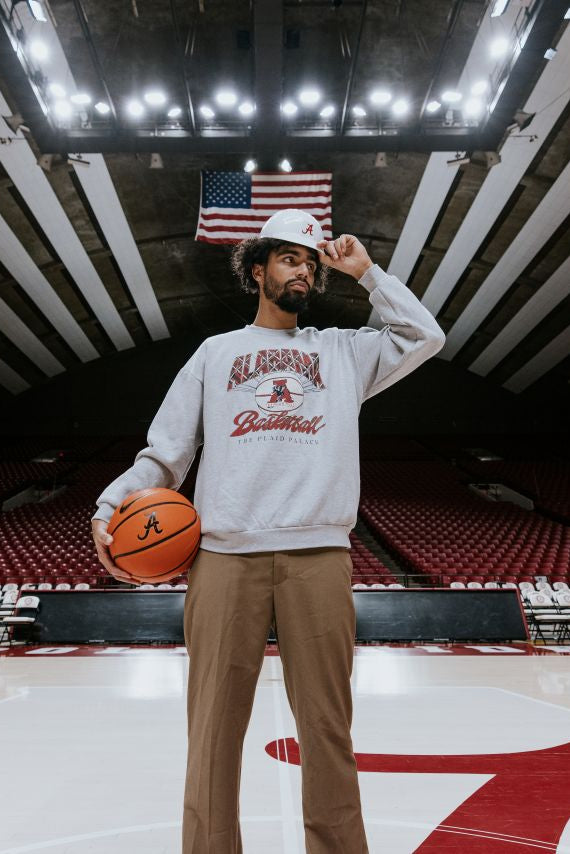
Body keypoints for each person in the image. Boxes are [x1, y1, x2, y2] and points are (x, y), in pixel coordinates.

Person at [91, 208, 446, 853]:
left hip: (319, 555)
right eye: (290, 259)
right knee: (214, 733)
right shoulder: (215, 354)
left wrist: (367, 274)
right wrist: (107, 508)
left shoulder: (345, 351)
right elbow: (164, 456)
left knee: (327, 730)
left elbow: (425, 335)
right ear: (258, 272)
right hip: (226, 559)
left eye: (311, 262)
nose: (304, 271)